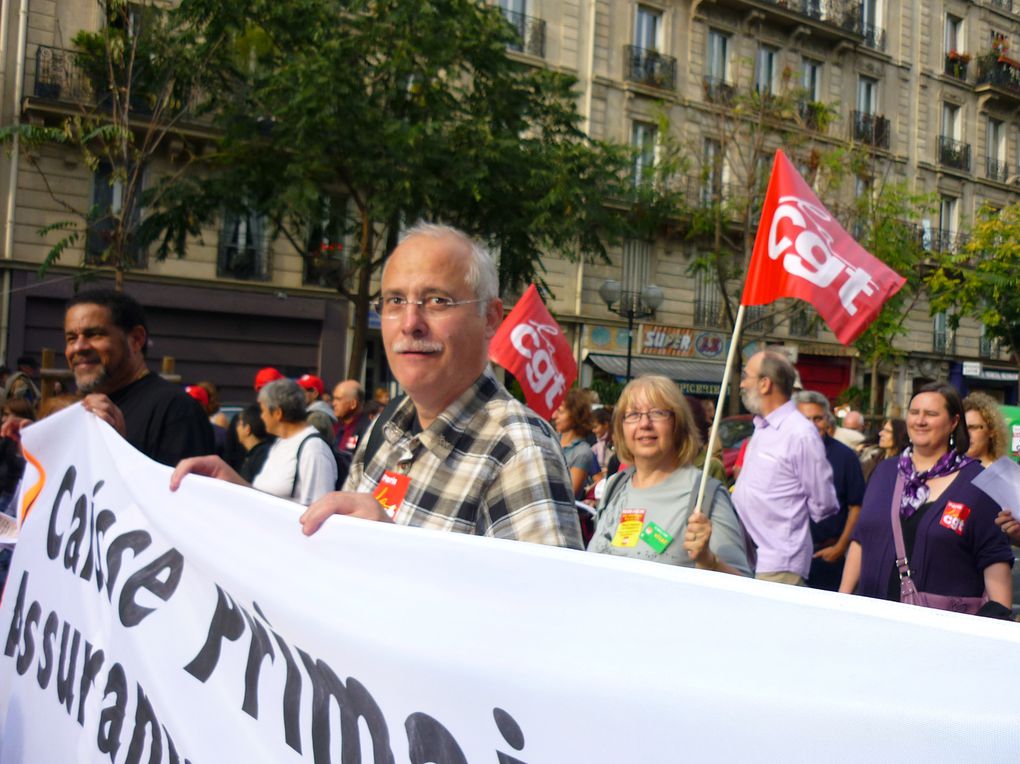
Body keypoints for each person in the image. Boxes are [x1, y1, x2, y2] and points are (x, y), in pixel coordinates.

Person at [171, 223, 582, 548]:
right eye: (394, 301)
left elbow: (546, 625)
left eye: (437, 300)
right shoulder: (389, 428)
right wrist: (238, 499)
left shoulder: (520, 451)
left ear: (491, 318)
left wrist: (391, 551)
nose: (410, 323)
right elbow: (327, 540)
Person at [840, 383, 1013, 615]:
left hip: (939, 632)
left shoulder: (978, 483)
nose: (920, 421)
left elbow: (996, 568)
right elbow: (861, 540)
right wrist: (841, 602)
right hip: (871, 621)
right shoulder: (884, 472)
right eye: (914, 412)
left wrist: (989, 624)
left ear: (953, 422)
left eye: (931, 414)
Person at [2, 290, 214, 466]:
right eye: (71, 338)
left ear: (136, 339)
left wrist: (117, 447)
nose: (79, 347)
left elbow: (181, 507)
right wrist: (37, 442)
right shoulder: (81, 409)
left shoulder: (176, 411)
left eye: (94, 334)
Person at [587, 376, 750, 576]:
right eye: (633, 414)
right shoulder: (615, 486)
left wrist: (710, 562)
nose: (644, 423)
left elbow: (743, 587)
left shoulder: (705, 496)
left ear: (678, 424)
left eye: (657, 413)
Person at [731, 350, 838, 585]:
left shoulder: (800, 433)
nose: (742, 383)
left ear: (765, 383)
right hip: (750, 557)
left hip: (778, 563)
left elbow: (824, 502)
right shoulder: (762, 426)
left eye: (746, 376)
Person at [794, 391, 866, 592]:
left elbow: (856, 506)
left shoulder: (846, 457)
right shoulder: (785, 453)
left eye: (817, 418)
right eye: (805, 419)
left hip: (828, 558)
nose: (811, 424)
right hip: (790, 555)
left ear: (827, 420)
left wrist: (840, 547)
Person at [250, 379, 337, 505]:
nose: (261, 416)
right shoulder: (281, 442)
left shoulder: (313, 450)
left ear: (277, 413)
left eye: (263, 410)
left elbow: (317, 509)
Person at [554, 388, 595, 500]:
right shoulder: (551, 439)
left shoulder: (582, 452)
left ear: (575, 414)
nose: (554, 416)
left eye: (560, 412)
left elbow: (569, 494)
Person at [963, 392, 1008, 467]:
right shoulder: (950, 472)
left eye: (973, 427)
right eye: (963, 428)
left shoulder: (1003, 474)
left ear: (991, 431)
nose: (966, 434)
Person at [236, 403, 273, 483]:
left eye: (239, 424)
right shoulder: (258, 453)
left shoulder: (260, 456)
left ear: (247, 429)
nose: (236, 428)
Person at [332, 379, 371, 454]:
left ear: (353, 404)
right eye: (334, 399)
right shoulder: (335, 426)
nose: (334, 403)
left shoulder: (367, 430)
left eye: (338, 399)